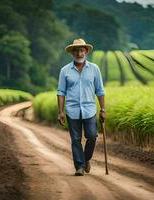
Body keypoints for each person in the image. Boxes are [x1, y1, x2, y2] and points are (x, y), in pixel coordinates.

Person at [57, 38, 106, 176]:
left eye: (82, 50)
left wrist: (103, 109)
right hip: (72, 110)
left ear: (86, 52)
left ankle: (85, 159)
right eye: (77, 51)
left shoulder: (94, 69)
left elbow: (100, 91)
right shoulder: (65, 71)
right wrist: (60, 112)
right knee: (75, 139)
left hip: (89, 109)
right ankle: (79, 166)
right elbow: (61, 92)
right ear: (73, 53)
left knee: (92, 136)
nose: (79, 53)